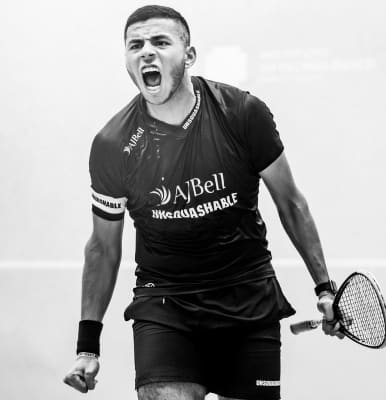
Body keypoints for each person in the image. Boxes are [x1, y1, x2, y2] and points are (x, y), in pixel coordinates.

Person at [64, 5, 343, 400]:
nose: (147, 52)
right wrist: (87, 347)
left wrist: (325, 289)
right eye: (135, 45)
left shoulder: (242, 113)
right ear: (126, 61)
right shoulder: (113, 145)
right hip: (165, 303)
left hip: (247, 296)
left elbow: (291, 204)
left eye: (161, 42)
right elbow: (102, 247)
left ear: (189, 55)